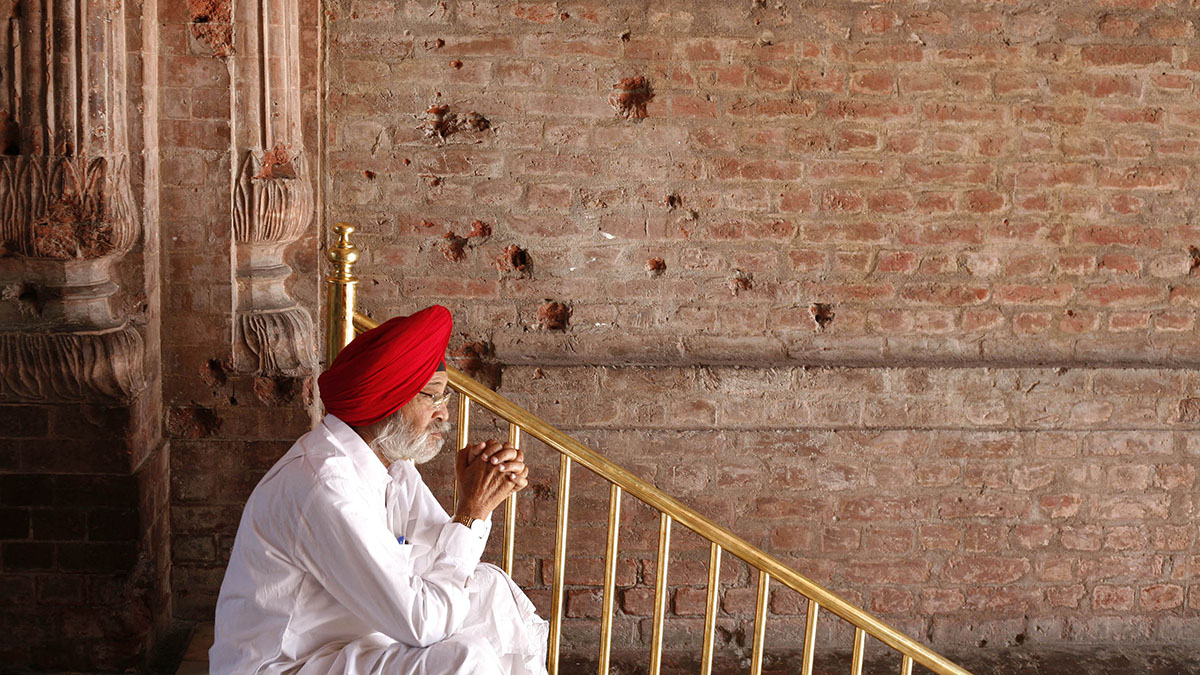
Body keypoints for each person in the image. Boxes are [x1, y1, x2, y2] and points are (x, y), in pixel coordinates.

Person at [210, 305, 548, 674]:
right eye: (431, 397)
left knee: (489, 592)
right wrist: (472, 511)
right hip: (288, 665)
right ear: (389, 399)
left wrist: (476, 493)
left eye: (445, 398)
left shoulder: (394, 468)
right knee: (466, 660)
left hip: (350, 644)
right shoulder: (324, 486)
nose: (444, 414)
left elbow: (443, 558)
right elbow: (422, 622)